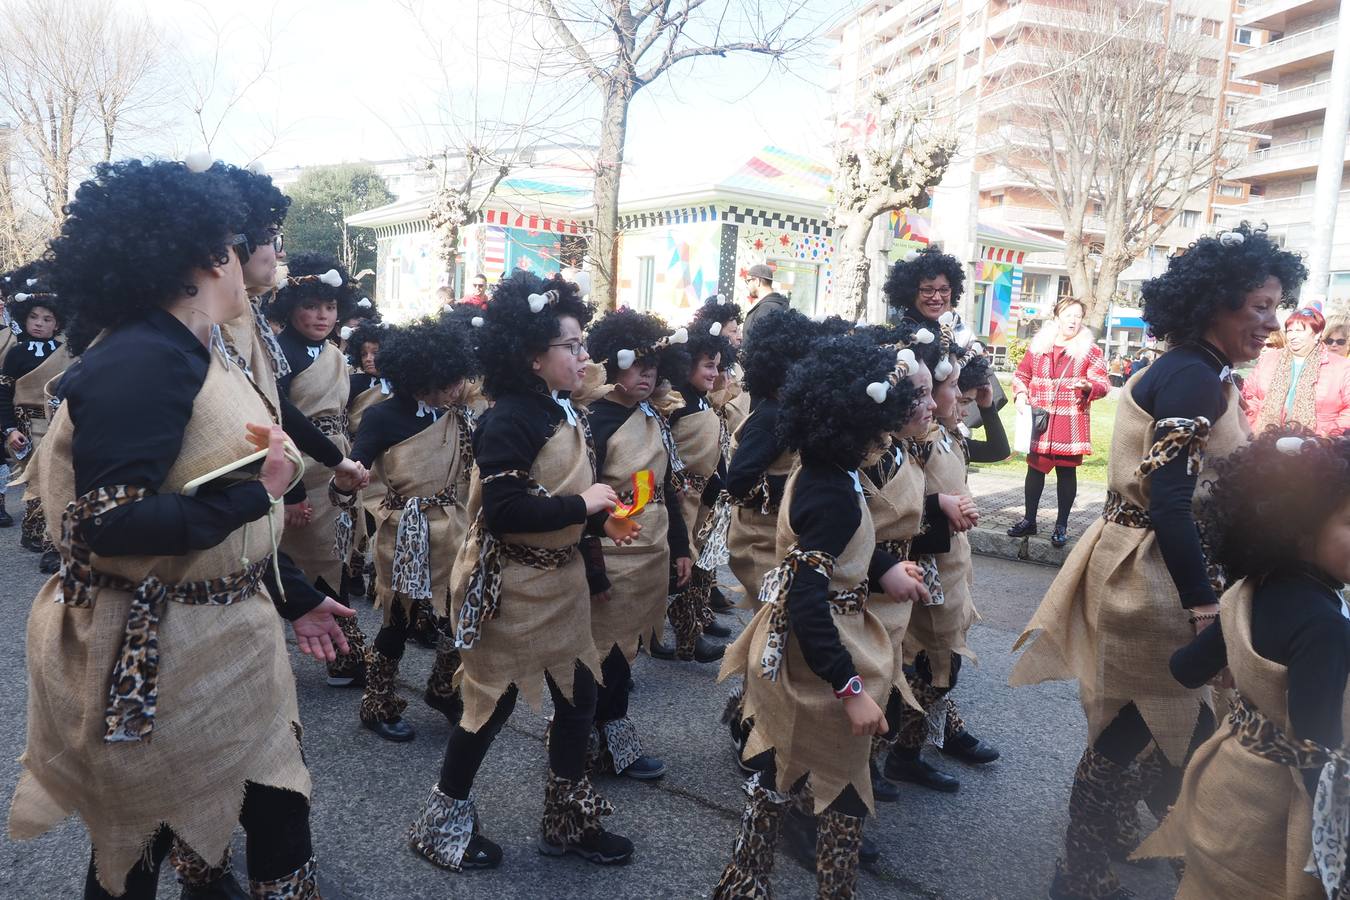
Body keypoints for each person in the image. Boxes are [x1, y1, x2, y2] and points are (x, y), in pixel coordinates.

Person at [8, 158, 358, 900]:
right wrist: (255, 496)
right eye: (241, 244)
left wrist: (295, 594)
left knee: (272, 803)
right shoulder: (141, 356)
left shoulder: (201, 344)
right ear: (207, 255)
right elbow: (109, 523)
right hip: (156, 647)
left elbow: (213, 497)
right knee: (136, 840)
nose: (253, 259)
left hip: (228, 635)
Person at [1011, 223, 1306, 900]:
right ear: (1215, 303)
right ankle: (1091, 867)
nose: (1272, 319)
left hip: (1146, 563)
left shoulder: (1193, 370)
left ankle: (1108, 848)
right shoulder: (1194, 381)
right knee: (1169, 727)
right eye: (1259, 305)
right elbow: (1171, 501)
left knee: (1147, 723)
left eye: (1275, 304)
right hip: (1157, 579)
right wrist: (1205, 604)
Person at [407, 271, 636, 873]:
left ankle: (567, 821)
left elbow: (559, 496)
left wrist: (594, 522)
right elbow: (505, 512)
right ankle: (441, 823)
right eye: (573, 345)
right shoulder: (510, 416)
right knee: (490, 705)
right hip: (509, 586)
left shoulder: (560, 409)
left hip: (561, 585)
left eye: (584, 343)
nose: (585, 355)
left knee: (579, 697)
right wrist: (581, 507)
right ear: (534, 357)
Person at [712, 333, 920, 899]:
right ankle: (825, 888)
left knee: (778, 771)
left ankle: (744, 882)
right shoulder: (830, 487)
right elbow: (807, 596)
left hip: (812, 643)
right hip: (819, 649)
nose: (888, 432)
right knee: (836, 785)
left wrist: (884, 570)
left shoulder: (827, 470)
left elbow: (846, 538)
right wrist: (849, 688)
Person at [1139, 429, 1350, 898]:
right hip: (1277, 812)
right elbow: (1318, 748)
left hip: (1223, 779)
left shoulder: (1248, 590)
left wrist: (1244, 666)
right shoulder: (1326, 627)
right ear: (1300, 527)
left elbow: (1187, 668)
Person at [340, 316, 478, 743]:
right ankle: (377, 702)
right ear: (421, 376)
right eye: (448, 381)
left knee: (458, 611)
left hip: (451, 526)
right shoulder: (383, 416)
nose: (457, 388)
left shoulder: (458, 416)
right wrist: (347, 479)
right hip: (403, 531)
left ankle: (442, 688)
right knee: (397, 621)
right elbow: (358, 462)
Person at [883, 319, 1005, 795]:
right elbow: (901, 509)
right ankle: (895, 754)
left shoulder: (949, 433)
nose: (962, 397)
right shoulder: (917, 442)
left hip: (953, 566)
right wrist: (941, 508)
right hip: (927, 566)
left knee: (943, 664)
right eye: (953, 388)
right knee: (928, 665)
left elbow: (998, 448)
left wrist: (989, 409)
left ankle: (911, 749)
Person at [581, 307, 691, 781]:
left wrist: (682, 546)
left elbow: (663, 487)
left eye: (653, 366)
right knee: (598, 653)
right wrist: (593, 566)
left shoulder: (653, 416)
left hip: (651, 551)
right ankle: (580, 742)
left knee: (627, 654)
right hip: (608, 554)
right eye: (635, 364)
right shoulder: (595, 422)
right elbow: (580, 497)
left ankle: (613, 737)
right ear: (611, 363)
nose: (646, 374)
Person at [725, 308, 816, 612]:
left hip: (779, 535)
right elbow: (737, 480)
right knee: (771, 621)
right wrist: (793, 487)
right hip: (760, 539)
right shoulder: (771, 416)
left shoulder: (785, 410)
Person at [657, 319, 736, 663]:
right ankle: (685, 635)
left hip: (703, 496)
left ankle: (696, 622)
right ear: (686, 365)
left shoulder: (705, 402)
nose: (713, 373)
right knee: (681, 560)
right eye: (707, 365)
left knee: (700, 561)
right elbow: (663, 450)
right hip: (682, 495)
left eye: (717, 366)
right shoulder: (675, 404)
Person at [1007, 298, 1111, 548]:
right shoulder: (1039, 346)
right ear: (1057, 318)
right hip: (1041, 417)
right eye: (1068, 315)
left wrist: (1089, 386)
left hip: (1070, 417)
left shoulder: (1090, 351)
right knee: (1035, 469)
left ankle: (1061, 525)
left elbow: (1104, 383)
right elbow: (1021, 375)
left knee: (1067, 472)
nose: (1073, 320)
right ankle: (1029, 520)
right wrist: (1021, 394)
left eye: (1078, 316)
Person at [1, 274, 69, 572]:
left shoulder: (66, 353)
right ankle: (35, 531)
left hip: (62, 423)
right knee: (36, 480)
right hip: (27, 426)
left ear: (57, 324)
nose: (39, 323)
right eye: (33, 317)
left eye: (47, 318)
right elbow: (3, 394)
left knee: (59, 480)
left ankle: (52, 539)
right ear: (24, 319)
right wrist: (9, 429)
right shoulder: (15, 354)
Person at [1243, 305, 1350, 437]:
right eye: (1290, 331)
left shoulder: (1342, 367)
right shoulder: (1269, 359)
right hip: (1264, 439)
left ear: (1317, 334)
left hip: (1316, 445)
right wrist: (1252, 426)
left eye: (1299, 331)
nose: (1293, 336)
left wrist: (1328, 436)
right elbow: (1250, 395)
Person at [739, 263, 787, 339]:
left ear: (757, 281)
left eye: (748, 281)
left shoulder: (767, 308)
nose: (747, 285)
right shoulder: (775, 305)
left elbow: (760, 343)